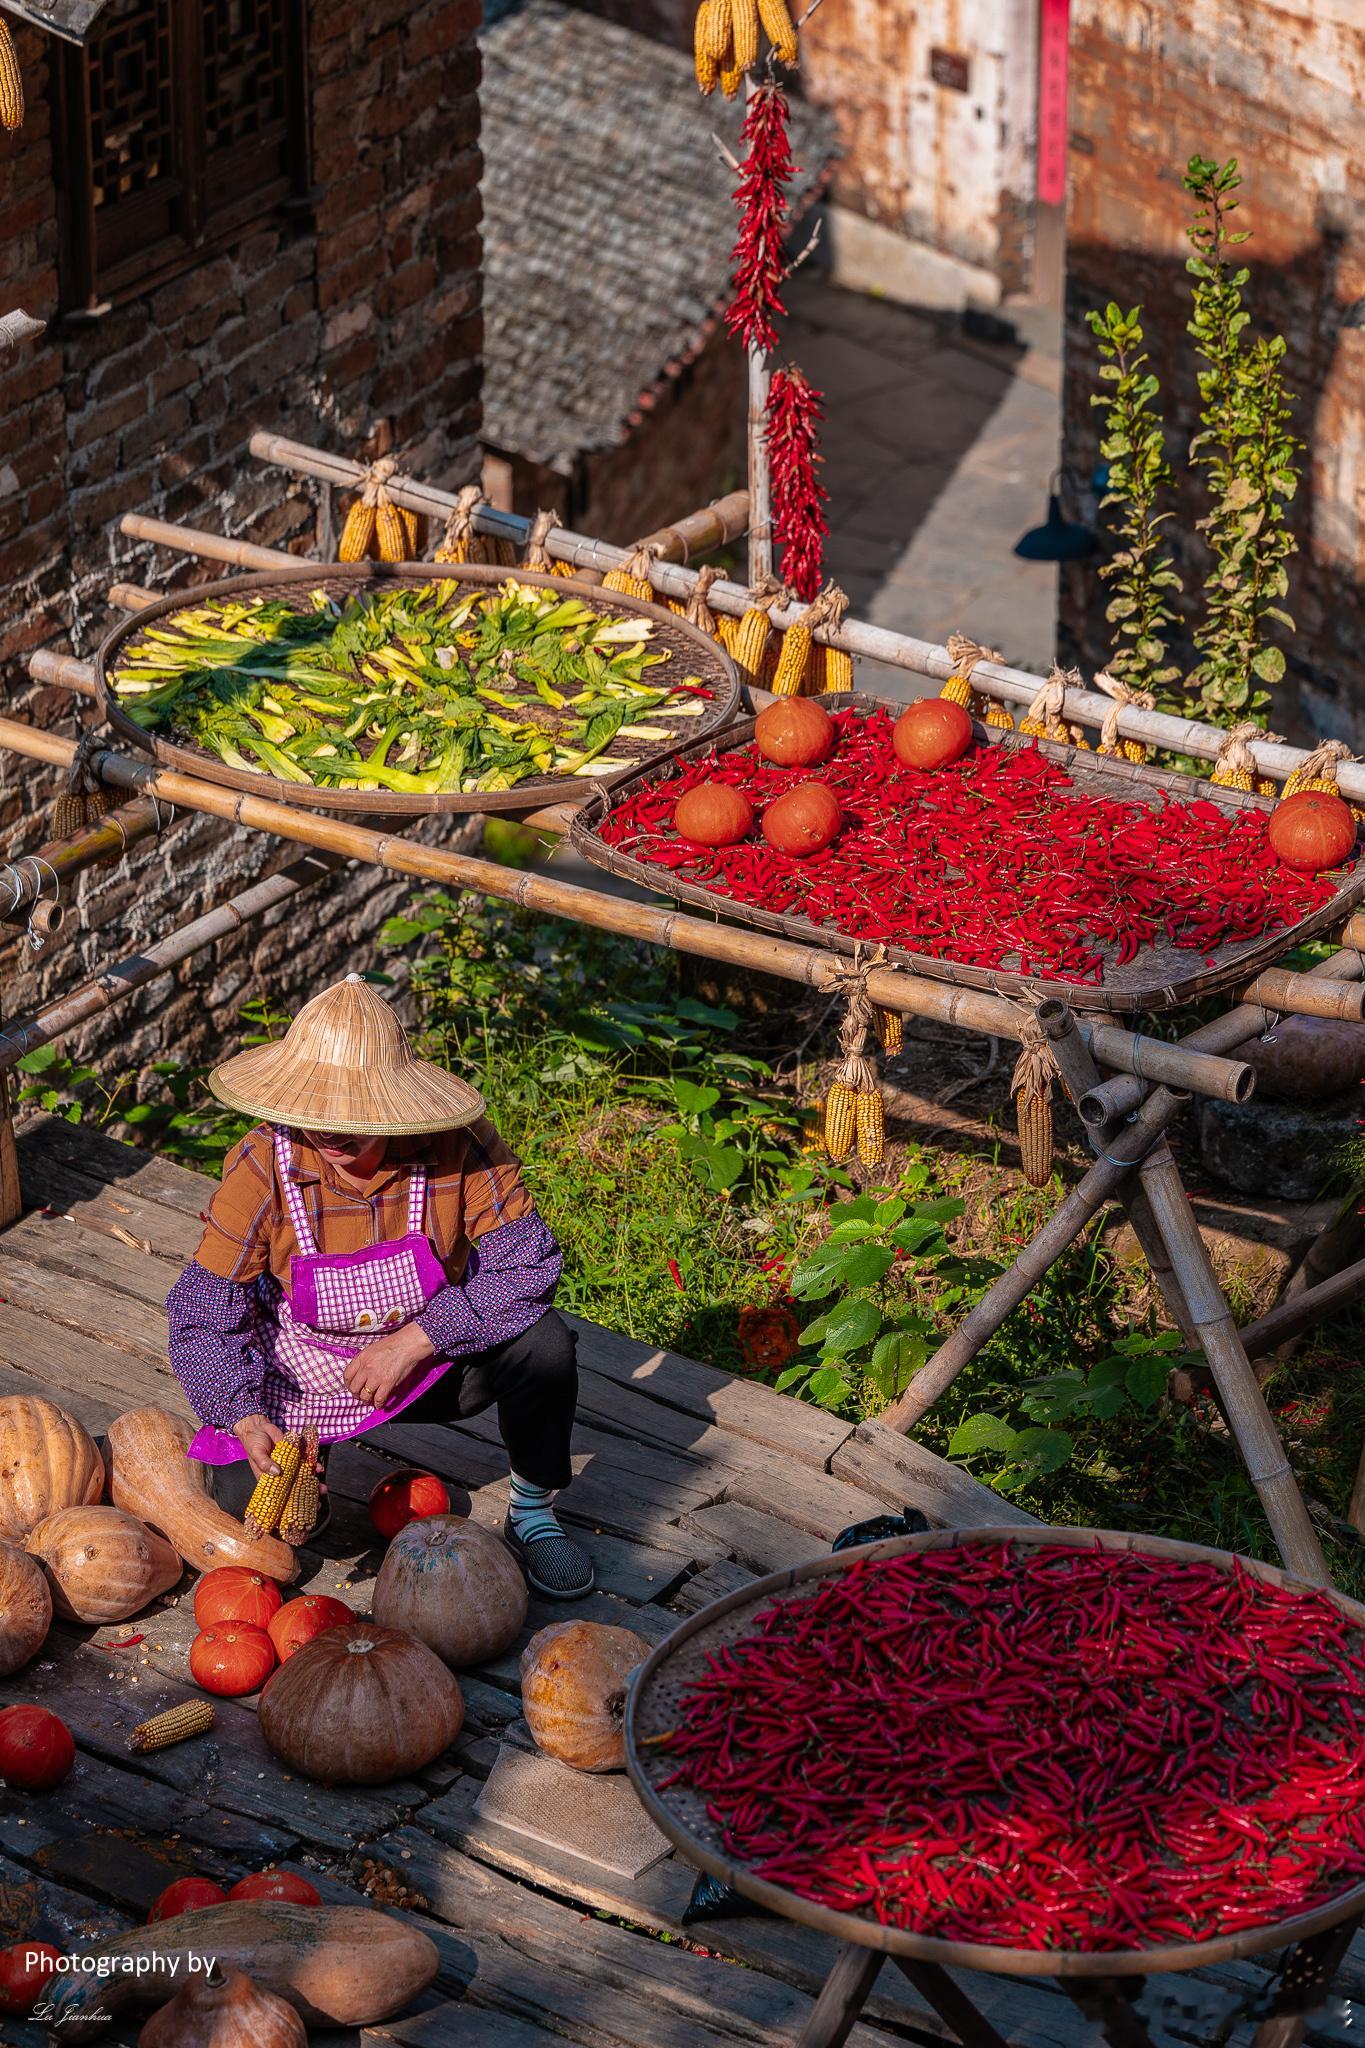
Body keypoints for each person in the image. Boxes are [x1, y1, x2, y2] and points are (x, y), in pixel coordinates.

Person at [165, 974, 592, 1600]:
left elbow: (527, 1266)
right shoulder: (263, 1167)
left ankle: (532, 1513)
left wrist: (415, 1341)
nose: (330, 1134)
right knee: (246, 1508)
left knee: (545, 1347)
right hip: (303, 1368)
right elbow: (202, 1312)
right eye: (317, 1115)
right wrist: (243, 1414)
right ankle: (310, 1470)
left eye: (353, 1118)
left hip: (429, 1357)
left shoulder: (461, 1147)